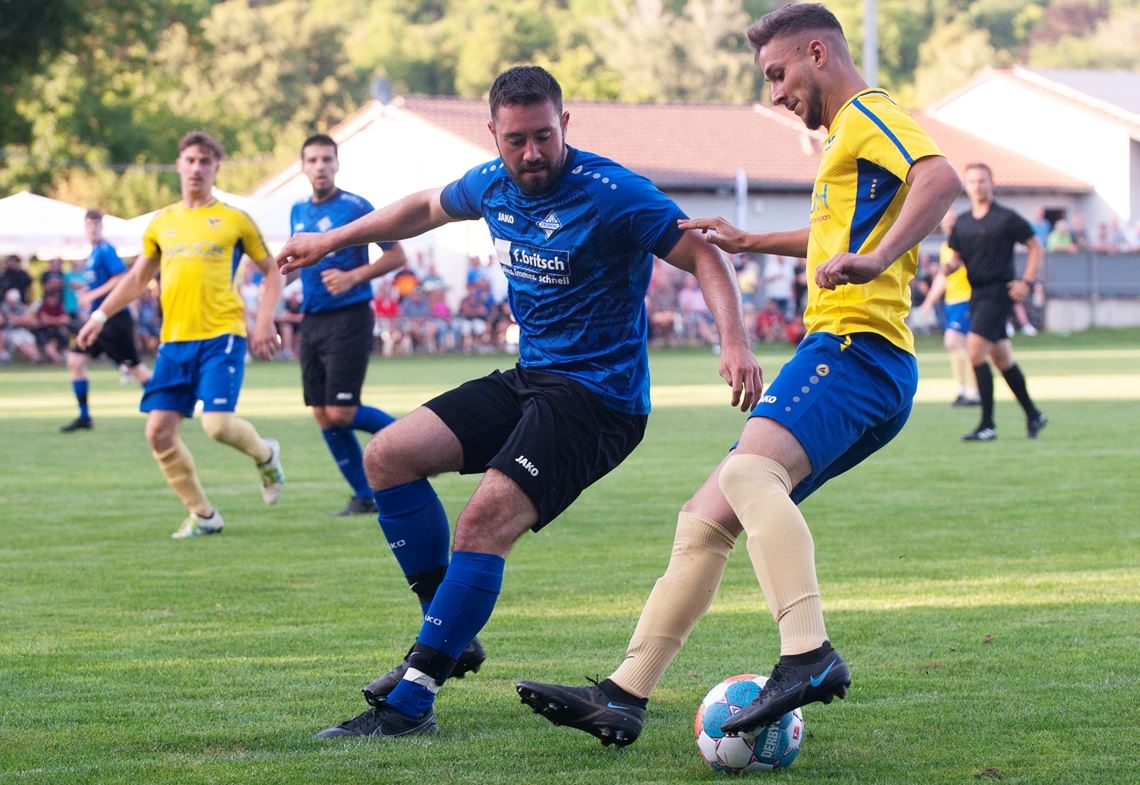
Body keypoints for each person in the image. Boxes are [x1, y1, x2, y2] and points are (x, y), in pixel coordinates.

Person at [516, 4, 961, 746]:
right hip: (853, 356)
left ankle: (808, 653)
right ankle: (624, 695)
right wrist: (751, 241)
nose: (776, 93)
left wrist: (879, 259)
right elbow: (835, 235)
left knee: (751, 474)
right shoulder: (843, 139)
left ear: (818, 52)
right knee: (705, 518)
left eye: (778, 74)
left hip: (857, 348)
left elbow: (939, 178)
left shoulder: (867, 114)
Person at [276, 64, 761, 739]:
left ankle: (411, 701)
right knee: (387, 456)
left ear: (566, 125)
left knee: (482, 523)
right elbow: (422, 208)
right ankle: (448, 630)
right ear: (493, 135)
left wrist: (734, 341)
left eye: (543, 136)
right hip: (533, 377)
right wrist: (329, 241)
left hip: (599, 400)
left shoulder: (614, 191)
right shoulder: (491, 184)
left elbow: (704, 255)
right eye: (516, 140)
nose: (532, 153)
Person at [77, 130, 286, 539]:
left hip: (222, 336)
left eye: (205, 161)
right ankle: (204, 515)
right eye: (190, 160)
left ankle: (266, 455)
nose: (196, 168)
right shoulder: (162, 222)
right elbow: (137, 279)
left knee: (217, 426)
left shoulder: (235, 220)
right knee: (158, 433)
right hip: (174, 343)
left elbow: (273, 271)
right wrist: (100, 315)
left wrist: (264, 321)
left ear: (216, 168)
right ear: (178, 165)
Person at [291, 133, 409, 516]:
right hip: (312, 319)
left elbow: (397, 256)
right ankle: (364, 495)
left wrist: (353, 277)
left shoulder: (357, 207)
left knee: (341, 411)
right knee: (322, 412)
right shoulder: (297, 210)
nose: (320, 166)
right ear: (303, 166)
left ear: (337, 164)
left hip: (350, 317)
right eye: (313, 160)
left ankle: (416, 442)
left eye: (327, 159)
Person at [946, 163, 1047, 442]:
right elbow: (956, 258)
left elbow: (1035, 246)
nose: (977, 186)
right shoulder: (962, 222)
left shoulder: (1006, 218)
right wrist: (949, 267)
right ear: (966, 186)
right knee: (1002, 359)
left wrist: (1026, 282)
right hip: (976, 295)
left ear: (991, 183)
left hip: (999, 293)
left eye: (982, 180)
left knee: (974, 351)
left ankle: (987, 425)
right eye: (972, 181)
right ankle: (1034, 414)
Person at [61, 210, 152, 432]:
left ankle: (165, 408)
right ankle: (84, 417)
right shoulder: (93, 254)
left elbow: (121, 277)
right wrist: (85, 290)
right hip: (98, 322)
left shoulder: (106, 250)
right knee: (75, 360)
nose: (92, 230)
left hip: (114, 319)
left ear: (101, 227)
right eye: (89, 226)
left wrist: (91, 295)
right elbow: (102, 283)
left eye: (95, 225)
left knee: (135, 368)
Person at [920, 211, 980, 406]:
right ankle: (963, 390)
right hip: (952, 301)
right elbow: (943, 278)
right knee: (957, 347)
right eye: (946, 220)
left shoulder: (967, 243)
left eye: (953, 220)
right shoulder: (945, 247)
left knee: (954, 341)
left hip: (966, 298)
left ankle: (973, 391)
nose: (950, 223)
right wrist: (929, 301)